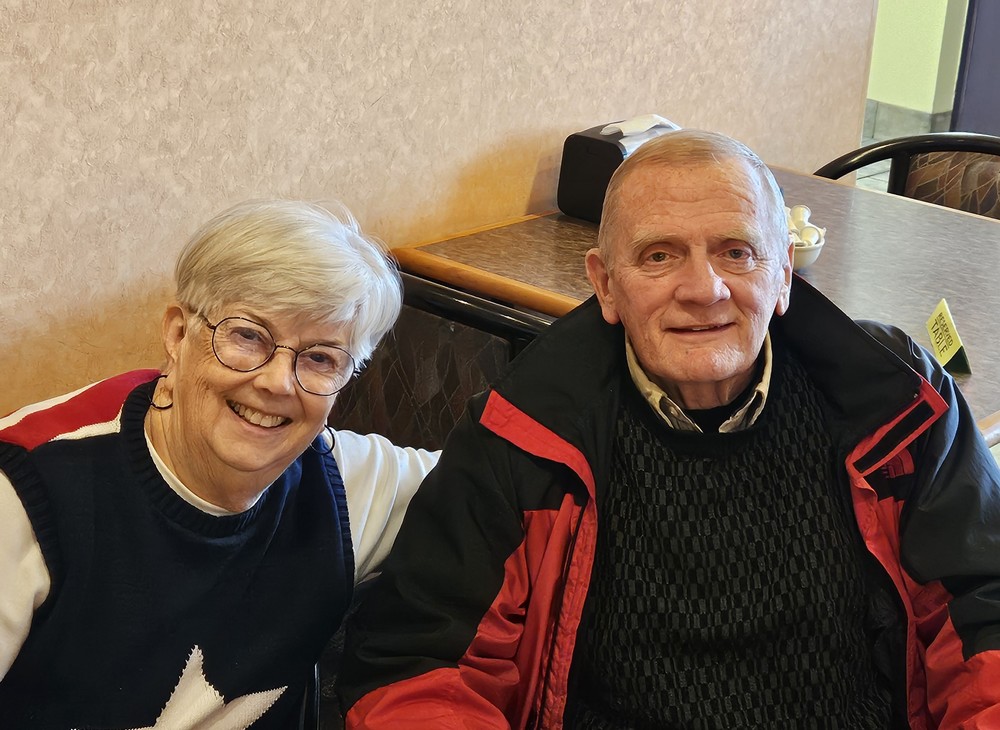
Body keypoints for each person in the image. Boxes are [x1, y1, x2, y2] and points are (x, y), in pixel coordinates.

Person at [336, 130, 1000, 728]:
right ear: (605, 285)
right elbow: (421, 662)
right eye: (659, 256)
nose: (704, 289)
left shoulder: (896, 403)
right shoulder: (521, 432)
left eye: (736, 252)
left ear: (782, 276)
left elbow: (984, 611)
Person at [0, 199, 439, 728]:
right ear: (177, 333)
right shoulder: (27, 489)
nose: (278, 382)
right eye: (248, 335)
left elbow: (500, 483)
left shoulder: (341, 484)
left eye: (320, 357)